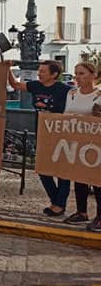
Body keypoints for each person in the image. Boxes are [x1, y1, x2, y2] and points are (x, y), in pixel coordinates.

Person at [8, 60, 71, 216]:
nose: (39, 74)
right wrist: (7, 68)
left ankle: (59, 204)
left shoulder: (64, 90)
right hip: (42, 133)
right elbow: (16, 85)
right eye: (39, 71)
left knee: (62, 171)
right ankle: (56, 201)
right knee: (43, 169)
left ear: (54, 74)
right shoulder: (36, 86)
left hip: (61, 134)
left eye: (43, 71)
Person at [58, 62, 101, 232]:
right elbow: (66, 113)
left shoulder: (99, 95)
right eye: (76, 73)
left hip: (95, 144)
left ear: (93, 75)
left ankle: (100, 216)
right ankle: (81, 212)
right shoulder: (72, 93)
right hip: (76, 142)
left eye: (82, 73)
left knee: (97, 181)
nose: (77, 77)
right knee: (79, 178)